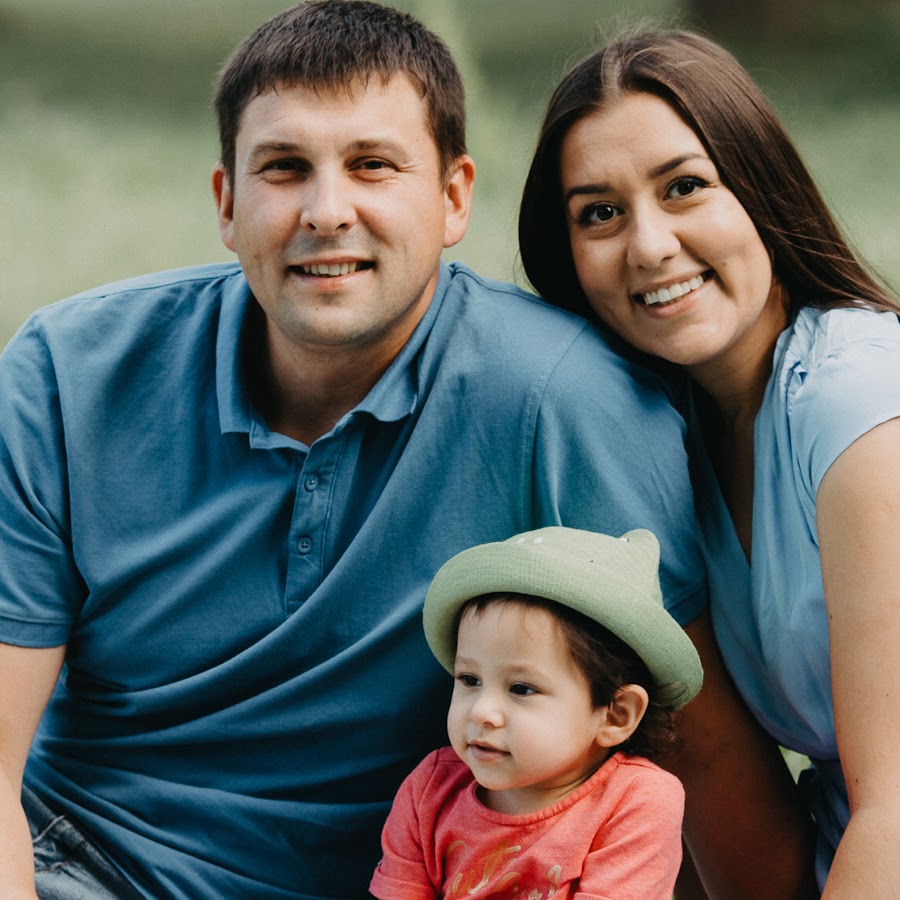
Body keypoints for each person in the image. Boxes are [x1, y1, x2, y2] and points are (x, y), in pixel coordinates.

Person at [0, 4, 753, 898]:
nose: (327, 211)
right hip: (84, 864)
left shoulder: (569, 401)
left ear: (452, 198)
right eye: (284, 169)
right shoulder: (68, 373)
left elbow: (691, 748)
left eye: (372, 166)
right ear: (227, 204)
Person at [519, 27, 900, 898]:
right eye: (600, 212)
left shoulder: (860, 399)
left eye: (685, 187)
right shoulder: (668, 431)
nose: (648, 246)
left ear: (761, 190)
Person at [370, 526, 703, 899]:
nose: (482, 712)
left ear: (615, 715)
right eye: (469, 679)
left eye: (521, 689)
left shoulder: (637, 801)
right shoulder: (430, 790)